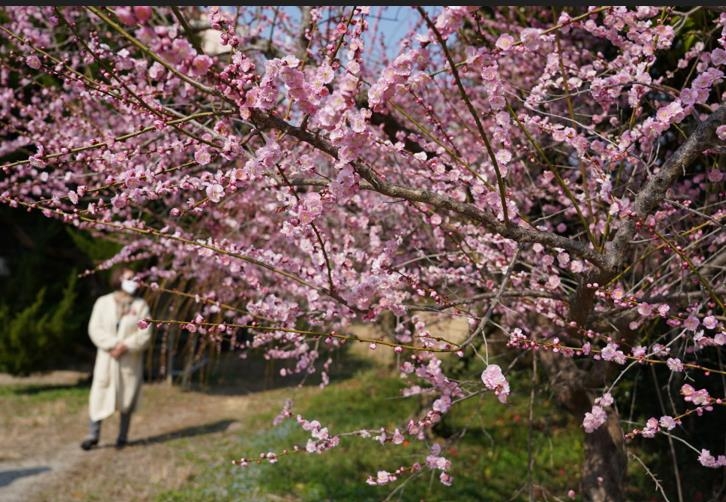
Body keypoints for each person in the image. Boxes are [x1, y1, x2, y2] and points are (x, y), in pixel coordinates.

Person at [81, 267, 151, 450]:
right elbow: (95, 329)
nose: (133, 281)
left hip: (129, 360)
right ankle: (93, 435)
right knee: (99, 396)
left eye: (136, 278)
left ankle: (122, 437)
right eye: (129, 278)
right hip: (107, 358)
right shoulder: (103, 303)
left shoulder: (140, 306)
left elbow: (145, 333)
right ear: (118, 279)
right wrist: (112, 344)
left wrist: (125, 345)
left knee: (127, 398)